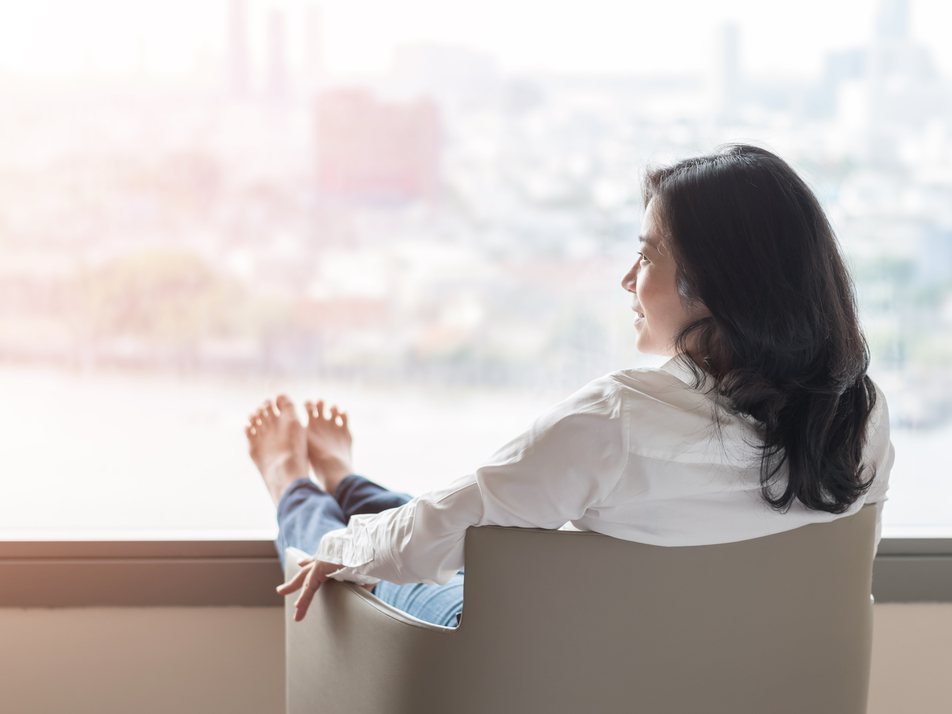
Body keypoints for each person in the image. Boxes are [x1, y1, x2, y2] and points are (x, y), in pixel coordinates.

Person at [247, 144, 894, 626]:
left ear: (712, 283)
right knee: (470, 518)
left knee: (346, 551)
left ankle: (293, 485)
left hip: (548, 672)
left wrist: (337, 549)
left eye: (646, 256)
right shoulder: (860, 417)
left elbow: (430, 539)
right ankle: (350, 483)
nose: (627, 279)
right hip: (736, 681)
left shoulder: (614, 424)